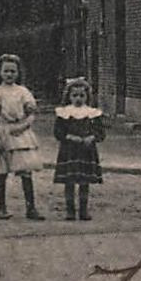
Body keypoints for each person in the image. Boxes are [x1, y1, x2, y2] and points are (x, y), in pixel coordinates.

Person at [0, 53, 45, 220]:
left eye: (13, 71)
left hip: (20, 133)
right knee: (1, 173)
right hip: (3, 133)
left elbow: (31, 114)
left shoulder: (23, 92)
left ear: (18, 73)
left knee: (26, 172)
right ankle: (2, 208)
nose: (9, 74)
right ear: (0, 72)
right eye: (6, 71)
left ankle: (31, 208)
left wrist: (24, 125)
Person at [53, 76, 105, 221]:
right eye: (74, 95)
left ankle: (83, 210)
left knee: (84, 182)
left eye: (82, 95)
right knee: (69, 182)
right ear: (69, 96)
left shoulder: (92, 113)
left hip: (86, 152)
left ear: (87, 96)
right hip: (69, 151)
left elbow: (101, 133)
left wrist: (92, 137)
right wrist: (68, 137)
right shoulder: (64, 113)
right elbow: (58, 132)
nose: (78, 99)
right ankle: (70, 211)